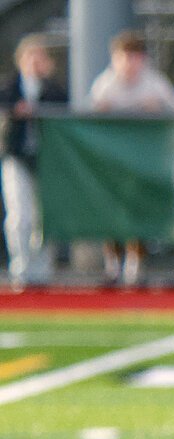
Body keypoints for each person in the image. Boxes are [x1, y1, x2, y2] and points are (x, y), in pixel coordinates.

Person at [88, 32, 174, 286]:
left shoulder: (154, 83)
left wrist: (156, 109)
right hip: (112, 162)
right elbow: (90, 118)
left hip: (144, 163)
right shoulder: (105, 83)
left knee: (139, 210)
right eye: (123, 56)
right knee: (112, 211)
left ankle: (135, 266)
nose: (129, 62)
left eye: (134, 56)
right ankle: (113, 264)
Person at [2, 34, 66, 290]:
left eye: (41, 57)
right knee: (20, 215)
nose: (35, 62)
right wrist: (14, 112)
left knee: (44, 217)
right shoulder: (9, 87)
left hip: (46, 161)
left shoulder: (54, 89)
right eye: (31, 56)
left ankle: (42, 271)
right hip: (16, 157)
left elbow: (64, 112)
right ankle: (21, 269)